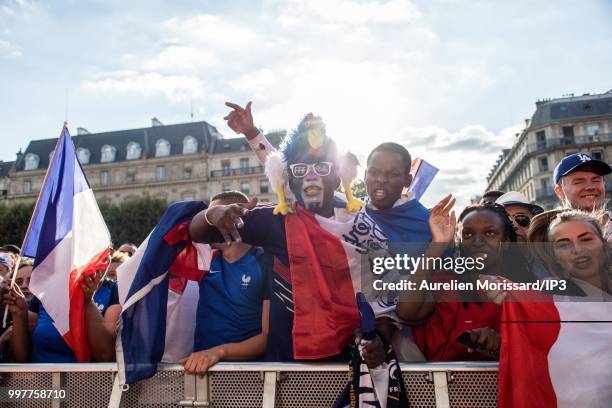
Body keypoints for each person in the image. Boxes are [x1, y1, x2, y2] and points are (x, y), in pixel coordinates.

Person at [190, 113, 392, 366]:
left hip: (350, 369)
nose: (310, 176)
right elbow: (198, 232)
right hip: (287, 370)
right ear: (290, 181)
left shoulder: (364, 228)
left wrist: (380, 340)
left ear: (336, 178)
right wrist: (212, 214)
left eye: (321, 168)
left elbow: (385, 305)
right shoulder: (276, 221)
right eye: (300, 170)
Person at [397, 198, 533, 361]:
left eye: (490, 233)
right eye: (467, 234)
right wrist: (438, 244)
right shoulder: (445, 280)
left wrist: (503, 342)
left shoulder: (527, 289)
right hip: (439, 383)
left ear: (506, 242)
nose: (477, 242)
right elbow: (406, 312)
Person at [179, 191, 270, 374]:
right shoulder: (203, 259)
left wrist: (219, 352)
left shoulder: (265, 261)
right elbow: (162, 241)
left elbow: (267, 337)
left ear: (234, 218)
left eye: (214, 218)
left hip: (248, 373)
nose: (207, 225)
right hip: (200, 369)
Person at [2, 269, 120, 363]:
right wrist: (19, 313)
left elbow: (106, 356)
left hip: (86, 387)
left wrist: (87, 303)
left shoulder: (113, 289)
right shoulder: (47, 289)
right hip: (41, 387)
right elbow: (21, 357)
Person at [527, 209, 611, 298]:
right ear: (554, 256)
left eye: (586, 239)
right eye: (564, 245)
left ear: (604, 243)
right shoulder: (549, 298)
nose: (578, 250)